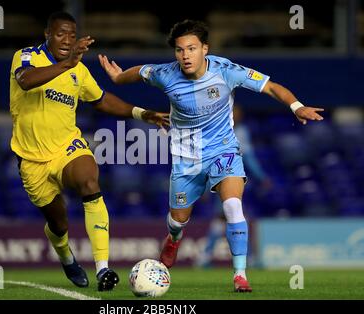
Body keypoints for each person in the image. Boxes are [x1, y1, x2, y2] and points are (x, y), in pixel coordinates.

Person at [98, 19, 324, 292]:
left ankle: (240, 275)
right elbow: (140, 72)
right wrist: (119, 77)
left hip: (223, 150)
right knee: (178, 219)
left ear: (205, 48)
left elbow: (272, 87)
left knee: (232, 207)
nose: (185, 55)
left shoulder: (226, 70)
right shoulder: (166, 74)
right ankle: (173, 238)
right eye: (180, 50)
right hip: (186, 158)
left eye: (191, 48)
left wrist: (296, 107)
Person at [9, 11, 169, 291]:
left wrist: (143, 114)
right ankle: (66, 256)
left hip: (67, 148)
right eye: (61, 34)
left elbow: (102, 100)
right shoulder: (26, 56)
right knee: (58, 224)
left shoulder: (79, 72)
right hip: (32, 159)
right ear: (47, 34)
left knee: (89, 180)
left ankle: (103, 269)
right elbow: (25, 80)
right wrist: (68, 63)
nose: (67, 40)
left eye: (72, 35)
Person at [195, 104, 272, 268]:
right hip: (219, 179)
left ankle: (205, 257)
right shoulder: (217, 131)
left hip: (233, 179)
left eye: (237, 113)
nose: (235, 116)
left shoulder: (241, 132)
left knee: (224, 219)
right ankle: (248, 258)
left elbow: (249, 157)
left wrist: (260, 176)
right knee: (233, 217)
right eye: (232, 113)